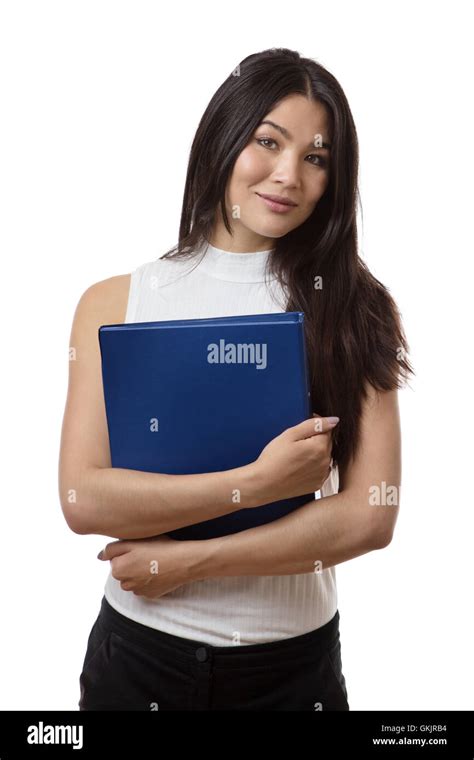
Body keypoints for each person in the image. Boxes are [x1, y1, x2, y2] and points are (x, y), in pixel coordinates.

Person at [58, 47, 414, 711]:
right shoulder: (113, 303)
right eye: (268, 142)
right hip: (139, 660)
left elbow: (371, 516)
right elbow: (85, 498)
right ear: (224, 137)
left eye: (316, 156)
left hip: (292, 669)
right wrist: (255, 485)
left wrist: (190, 561)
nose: (289, 176)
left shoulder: (355, 305)